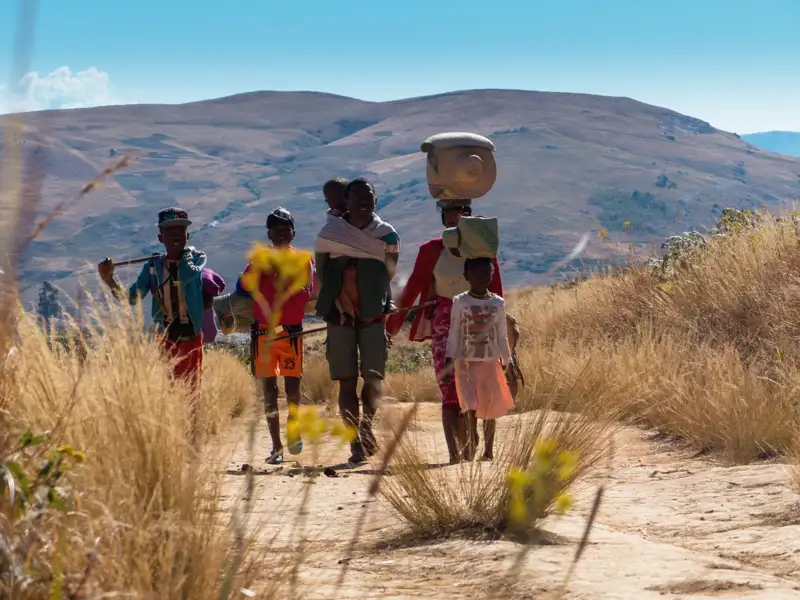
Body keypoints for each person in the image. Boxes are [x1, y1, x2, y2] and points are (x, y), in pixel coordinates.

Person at [386, 202, 504, 464]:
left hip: (479, 322)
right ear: (443, 220)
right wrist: (392, 327)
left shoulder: (483, 249)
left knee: (478, 388)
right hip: (444, 324)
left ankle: (472, 446)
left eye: (462, 215)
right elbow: (413, 287)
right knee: (450, 388)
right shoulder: (431, 250)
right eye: (451, 217)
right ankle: (454, 456)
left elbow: (497, 291)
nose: (456, 220)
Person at [314, 178, 400, 465]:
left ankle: (366, 427)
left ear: (376, 200)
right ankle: (355, 442)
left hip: (373, 316)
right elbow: (324, 275)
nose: (364, 201)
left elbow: (387, 273)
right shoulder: (331, 233)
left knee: (374, 379)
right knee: (347, 381)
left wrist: (373, 298)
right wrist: (342, 301)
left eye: (369, 196)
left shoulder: (387, 235)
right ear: (346, 202)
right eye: (358, 196)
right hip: (340, 317)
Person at [97, 207, 223, 392]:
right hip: (166, 340)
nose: (176, 235)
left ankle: (193, 421)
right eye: (169, 231)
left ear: (187, 236)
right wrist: (109, 280)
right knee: (169, 389)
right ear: (160, 238)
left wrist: (185, 253)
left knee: (192, 390)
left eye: (180, 230)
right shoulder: (152, 268)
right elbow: (131, 299)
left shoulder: (197, 258)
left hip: (191, 338)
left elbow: (186, 274)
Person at [236, 207, 315, 465]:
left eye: (286, 228)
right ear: (269, 233)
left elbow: (306, 292)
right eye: (276, 229)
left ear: (293, 232)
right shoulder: (259, 260)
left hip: (291, 331)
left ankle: (293, 434)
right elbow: (245, 286)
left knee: (293, 388)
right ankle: (276, 447)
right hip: (263, 333)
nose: (282, 233)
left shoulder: (303, 260)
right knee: (269, 390)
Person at [444, 257, 514, 461]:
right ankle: (472, 439)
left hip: (490, 362)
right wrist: (450, 357)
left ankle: (489, 450)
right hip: (465, 363)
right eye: (477, 274)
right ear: (467, 276)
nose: (482, 278)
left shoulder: (497, 303)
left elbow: (502, 334)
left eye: (487, 274)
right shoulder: (460, 301)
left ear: (492, 276)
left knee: (490, 407)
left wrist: (507, 360)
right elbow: (454, 331)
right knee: (469, 404)